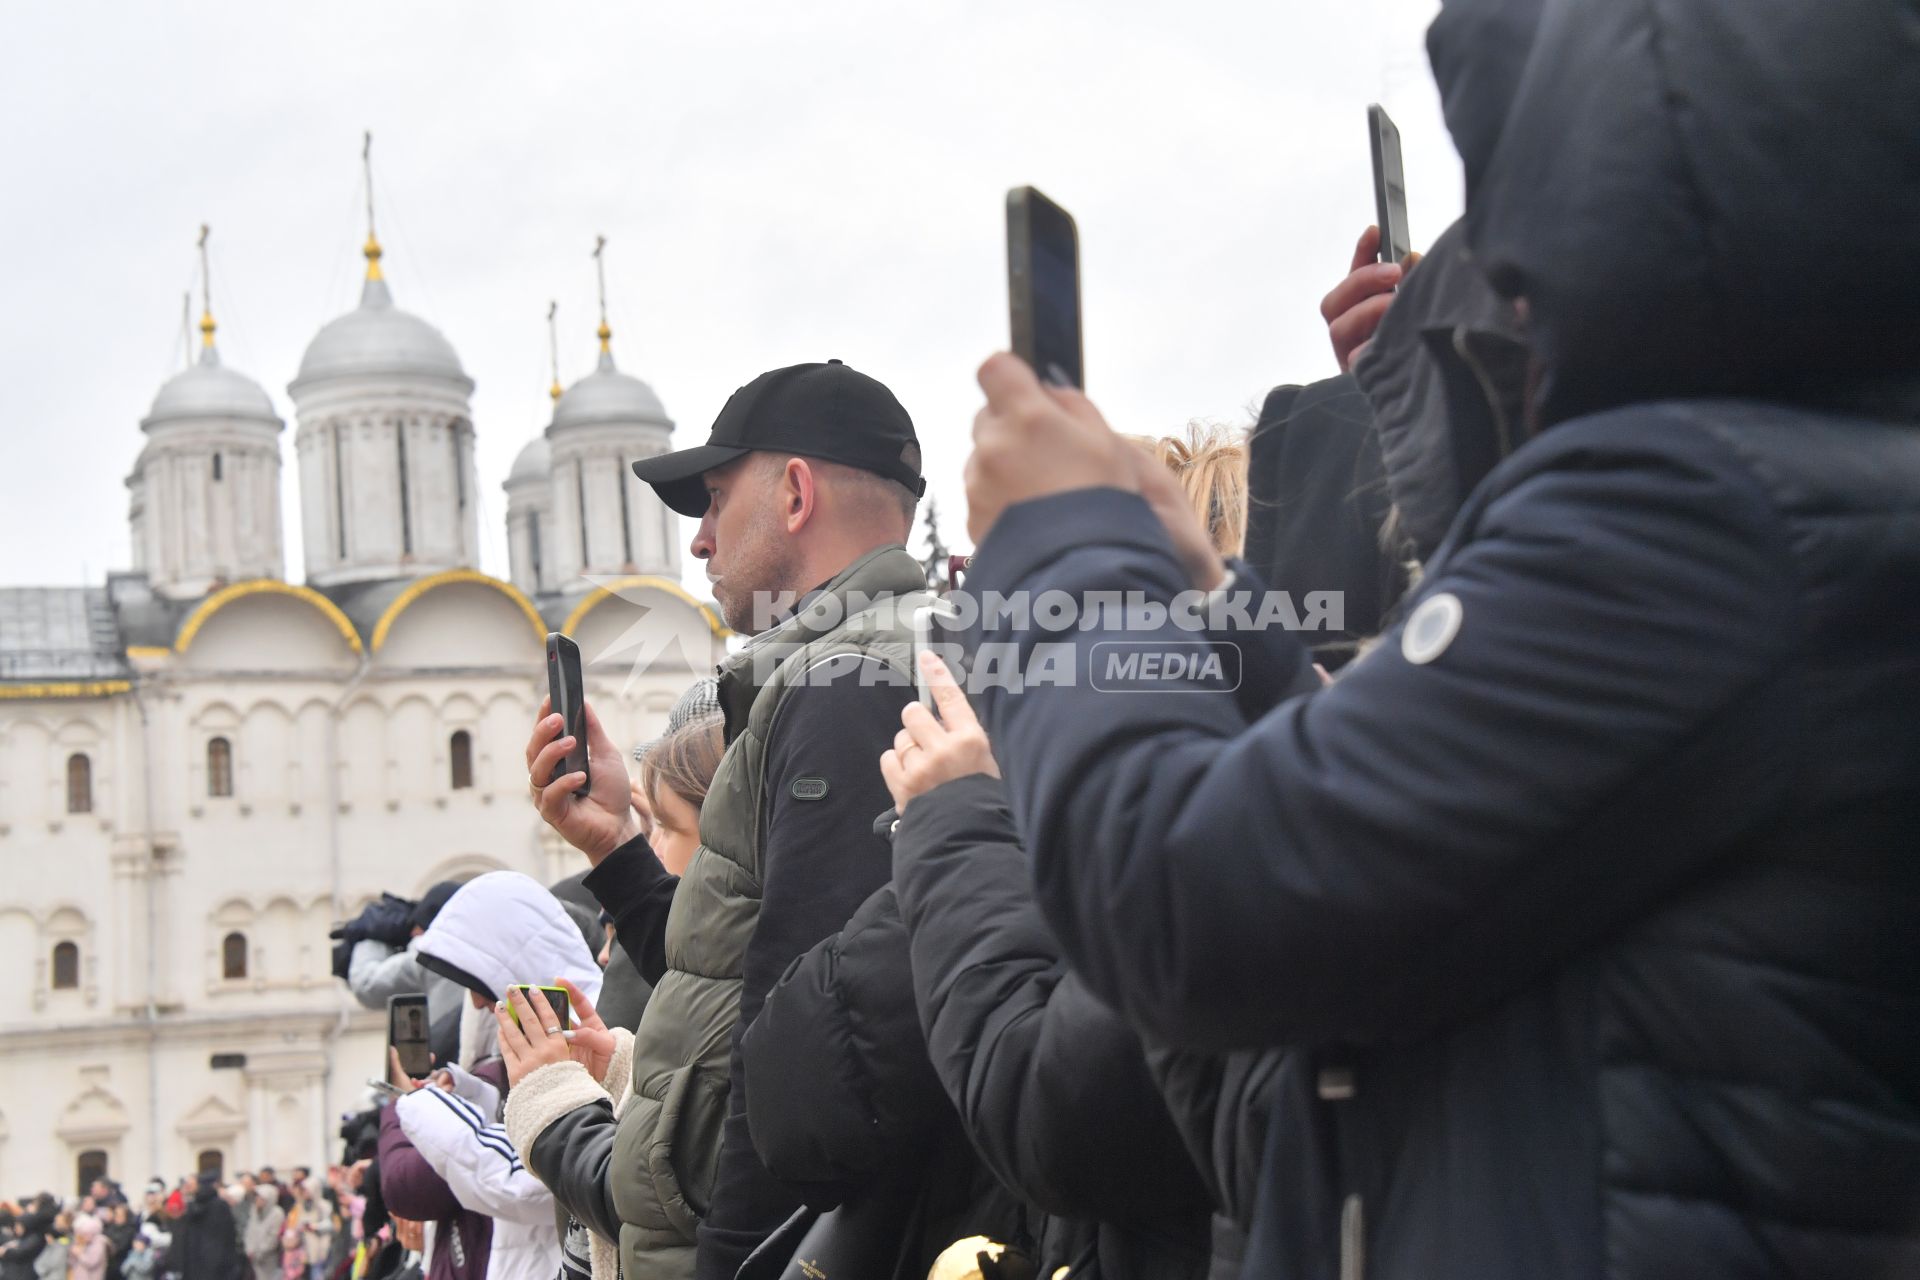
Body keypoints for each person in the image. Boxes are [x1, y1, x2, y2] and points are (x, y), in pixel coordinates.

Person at [955, 0, 1920, 1275]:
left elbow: (1183, 900)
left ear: (1619, 156)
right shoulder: (1791, 500)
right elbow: (1325, 1025)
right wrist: (1212, 609)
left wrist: (1063, 556)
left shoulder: (1700, 516)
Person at [511, 359, 933, 1280]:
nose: (698, 542)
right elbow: (744, 980)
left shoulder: (846, 686)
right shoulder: (843, 671)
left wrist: (733, 1265)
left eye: (710, 501)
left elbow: (806, 1054)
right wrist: (615, 844)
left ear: (793, 492)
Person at [385, 871, 601, 1280]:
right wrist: (470, 1093)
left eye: (481, 982)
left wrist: (417, 1104)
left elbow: (526, 1179)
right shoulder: (562, 1033)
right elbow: (524, 1127)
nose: (478, 1001)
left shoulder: (587, 1036)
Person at [342, 885, 467, 1072]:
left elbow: (367, 985)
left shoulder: (430, 952)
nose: (411, 935)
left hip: (442, 1068)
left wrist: (372, 934)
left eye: (415, 928)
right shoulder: (481, 946)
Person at [243, 1184, 284, 1280]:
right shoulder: (254, 1210)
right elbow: (249, 1231)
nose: (257, 1199)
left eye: (260, 1197)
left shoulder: (277, 1213)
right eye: (256, 1196)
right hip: (252, 1257)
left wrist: (260, 1252)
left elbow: (273, 1237)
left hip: (268, 1258)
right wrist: (249, 1250)